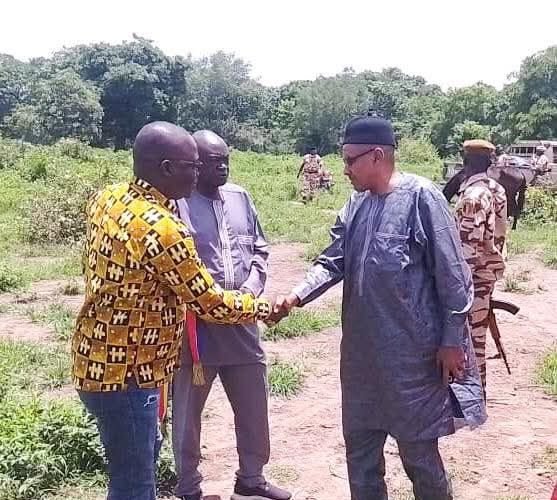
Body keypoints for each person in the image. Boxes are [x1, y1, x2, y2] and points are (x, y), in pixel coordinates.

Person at [274, 114, 486, 500]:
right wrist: (296, 295)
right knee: (361, 458)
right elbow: (332, 260)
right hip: (361, 362)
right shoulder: (355, 204)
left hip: (412, 363)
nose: (344, 170)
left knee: (419, 458)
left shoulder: (422, 198)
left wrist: (451, 341)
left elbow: (454, 278)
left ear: (376, 156)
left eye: (349, 161)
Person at [72, 121, 276, 500]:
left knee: (135, 468)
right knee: (135, 485)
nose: (198, 173)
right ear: (166, 168)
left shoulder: (108, 198)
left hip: (98, 363)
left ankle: (251, 478)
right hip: (130, 375)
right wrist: (264, 307)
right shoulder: (162, 227)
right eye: (192, 166)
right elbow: (208, 302)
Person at [173, 130, 291, 500]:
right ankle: (188, 487)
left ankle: (251, 479)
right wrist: (211, 300)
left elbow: (260, 250)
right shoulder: (177, 203)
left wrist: (250, 292)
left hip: (242, 324)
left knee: (254, 404)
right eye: (213, 161)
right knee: (188, 415)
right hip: (196, 329)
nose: (222, 167)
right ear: (195, 165)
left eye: (226, 160)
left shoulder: (240, 197)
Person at [454, 139, 507, 398]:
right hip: (487, 273)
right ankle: (476, 395)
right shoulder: (496, 189)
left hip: (472, 277)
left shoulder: (474, 196)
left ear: (465, 163)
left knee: (470, 341)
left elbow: (468, 247)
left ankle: (472, 398)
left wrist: (455, 285)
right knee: (477, 339)